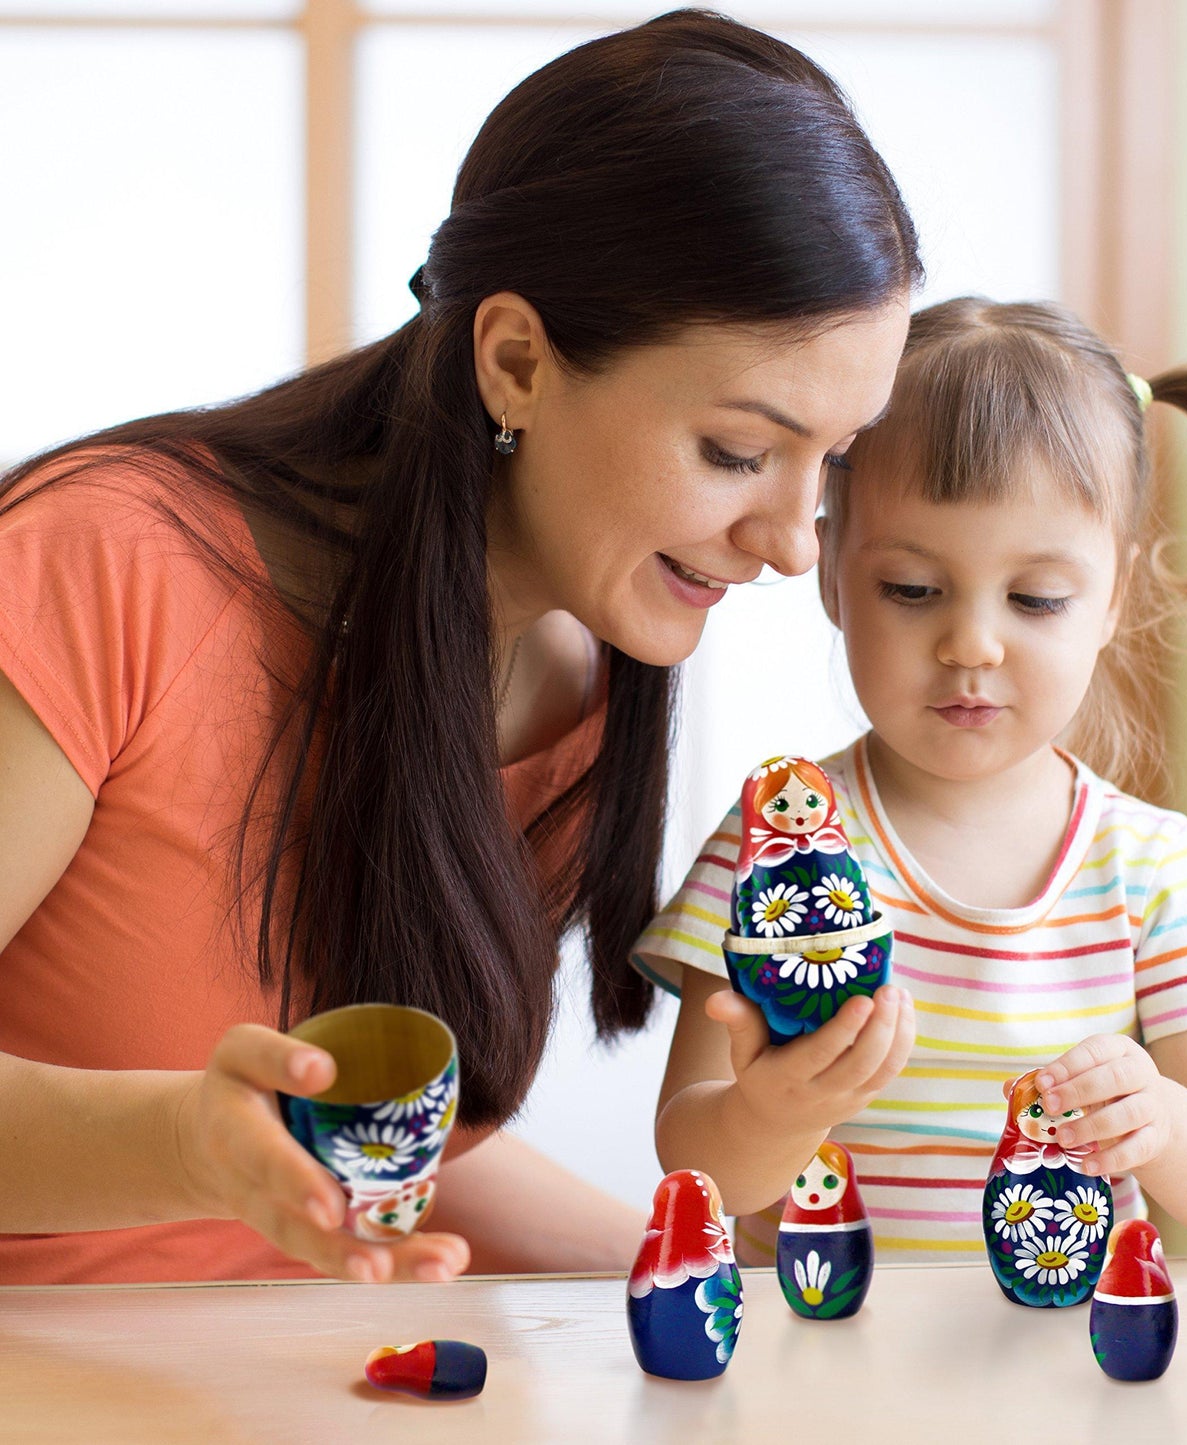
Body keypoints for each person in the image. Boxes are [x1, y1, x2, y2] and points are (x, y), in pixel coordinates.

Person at [0, 9, 919, 1285]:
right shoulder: (104, 567)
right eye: (736, 451)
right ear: (516, 361)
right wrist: (187, 1141)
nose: (786, 542)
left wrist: (698, 1276)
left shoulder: (576, 673)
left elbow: (416, 1150)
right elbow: (245, 1158)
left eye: (831, 462)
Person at [634, 295, 1187, 1262]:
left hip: (1063, 1392)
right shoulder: (780, 840)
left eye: (1035, 598)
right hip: (826, 1389)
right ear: (831, 575)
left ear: (1113, 595)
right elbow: (695, 1170)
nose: (971, 644)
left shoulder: (1148, 867)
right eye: (911, 590)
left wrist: (1160, 1118)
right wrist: (770, 1113)